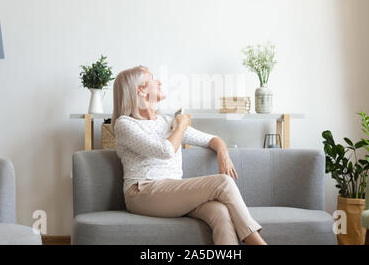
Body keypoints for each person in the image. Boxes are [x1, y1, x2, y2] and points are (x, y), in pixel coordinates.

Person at [110, 65, 267, 245]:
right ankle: (255, 241)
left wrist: (223, 153)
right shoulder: (125, 124)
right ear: (140, 89)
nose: (159, 82)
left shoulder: (168, 122)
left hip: (172, 192)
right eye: (153, 78)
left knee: (219, 211)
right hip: (142, 192)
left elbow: (213, 139)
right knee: (223, 182)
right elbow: (165, 150)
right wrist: (182, 126)